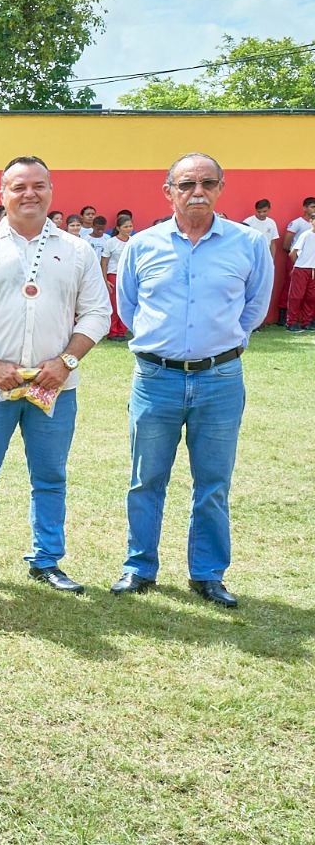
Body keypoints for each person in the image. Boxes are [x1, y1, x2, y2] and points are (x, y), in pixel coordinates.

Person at [0, 156, 110, 593]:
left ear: (51, 191)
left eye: (38, 185)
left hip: (55, 386)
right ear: (2, 195)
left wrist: (65, 362)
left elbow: (97, 313)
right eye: (18, 187)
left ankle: (47, 559)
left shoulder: (77, 251)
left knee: (50, 476)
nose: (29, 194)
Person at [114, 153, 273, 607]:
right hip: (155, 378)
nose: (196, 191)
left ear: (221, 188)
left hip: (220, 379)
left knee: (214, 483)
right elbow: (129, 309)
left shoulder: (247, 244)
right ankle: (139, 567)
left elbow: (255, 308)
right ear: (169, 192)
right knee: (146, 479)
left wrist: (224, 343)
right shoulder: (142, 245)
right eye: (186, 184)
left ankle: (207, 573)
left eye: (207, 182)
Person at [102, 215, 133, 340]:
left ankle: (122, 331)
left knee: (126, 304)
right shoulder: (111, 242)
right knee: (114, 306)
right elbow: (104, 262)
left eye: (130, 226)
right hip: (113, 275)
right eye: (125, 227)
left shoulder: (133, 241)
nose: (128, 229)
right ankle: (113, 332)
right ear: (118, 228)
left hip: (128, 276)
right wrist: (105, 280)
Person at [286, 221, 315, 332]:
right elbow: (292, 253)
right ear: (311, 221)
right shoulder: (306, 235)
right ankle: (291, 322)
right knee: (296, 296)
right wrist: (298, 265)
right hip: (301, 269)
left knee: (311, 297)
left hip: (313, 269)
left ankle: (306, 322)